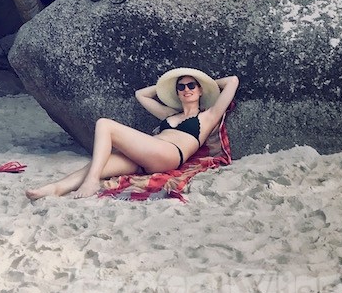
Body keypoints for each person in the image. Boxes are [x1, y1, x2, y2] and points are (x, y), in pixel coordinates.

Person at [25, 67, 239, 200]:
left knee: (105, 124)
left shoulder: (208, 116)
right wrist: (164, 86)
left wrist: (208, 83)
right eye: (181, 87)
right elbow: (141, 95)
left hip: (170, 155)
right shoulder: (169, 113)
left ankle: (90, 182)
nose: (186, 89)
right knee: (99, 166)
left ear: (200, 90)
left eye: (192, 85)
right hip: (148, 156)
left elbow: (232, 81)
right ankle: (55, 189)